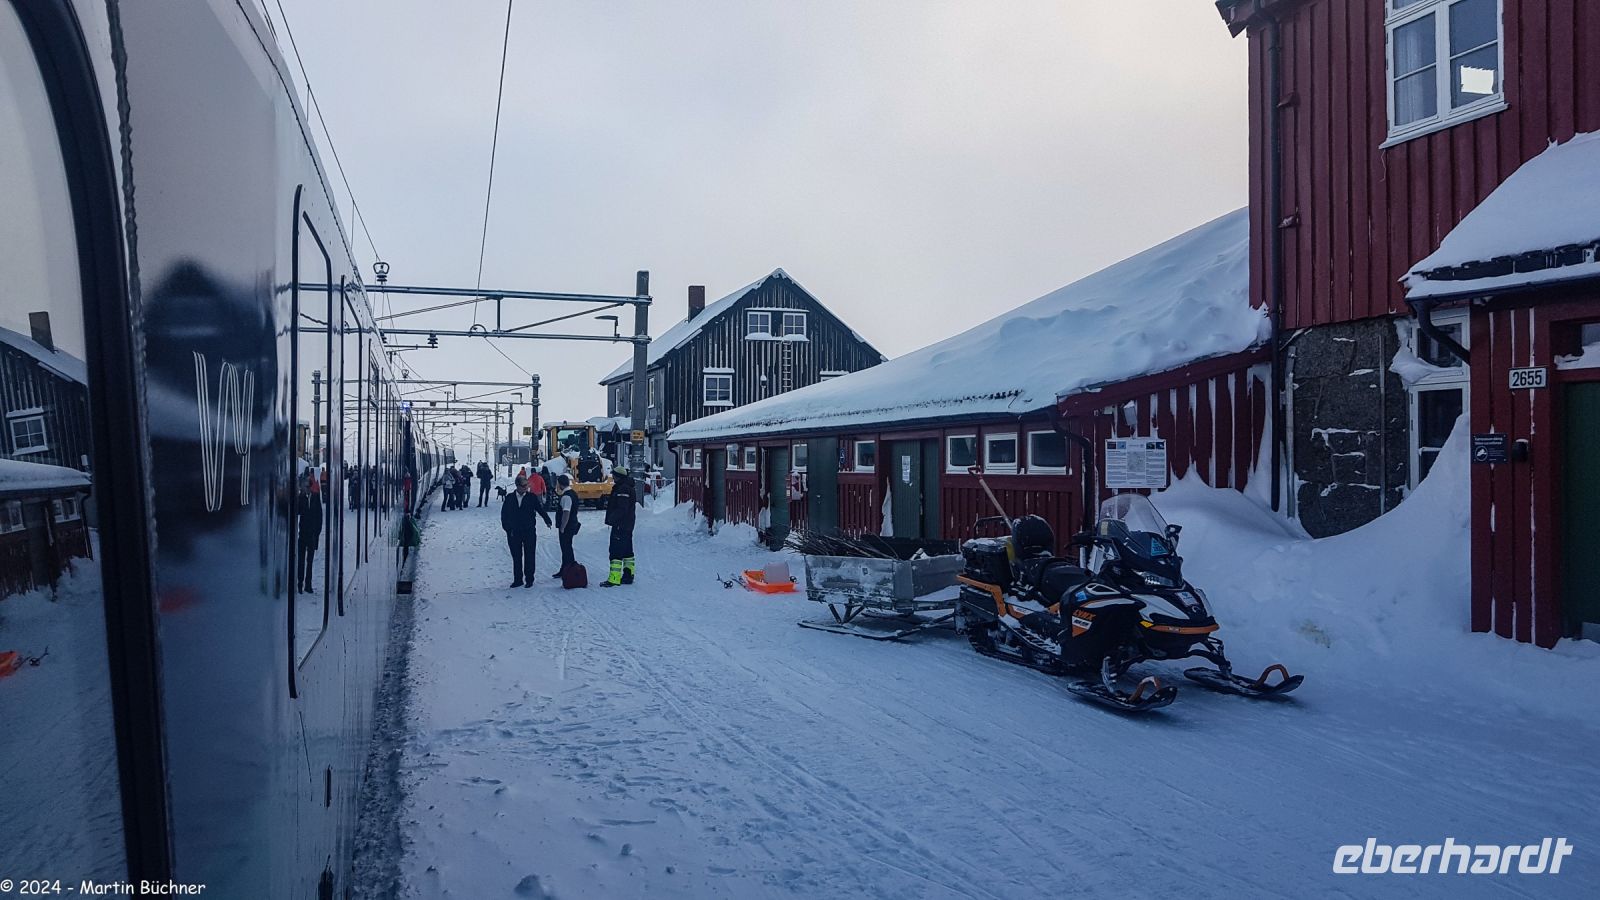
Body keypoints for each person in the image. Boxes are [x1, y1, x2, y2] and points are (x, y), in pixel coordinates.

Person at [500, 473, 552, 588]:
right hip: (514, 532)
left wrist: (547, 520)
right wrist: (508, 529)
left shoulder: (531, 497)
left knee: (530, 555)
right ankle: (518, 579)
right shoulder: (509, 498)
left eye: (526, 486)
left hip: (529, 531)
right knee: (516, 556)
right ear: (517, 486)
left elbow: (540, 509)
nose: (526, 488)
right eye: (524, 486)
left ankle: (529, 579)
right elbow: (504, 515)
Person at [601, 465, 637, 587]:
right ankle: (628, 576)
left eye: (614, 475)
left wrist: (612, 519)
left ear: (618, 476)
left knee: (615, 551)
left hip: (620, 525)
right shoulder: (627, 487)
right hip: (628, 525)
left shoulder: (622, 489)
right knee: (627, 551)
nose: (612, 477)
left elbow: (622, 508)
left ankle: (614, 579)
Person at [296, 469, 323, 593]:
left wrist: (317, 533)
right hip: (302, 533)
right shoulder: (300, 498)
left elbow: (319, 516)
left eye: (307, 485)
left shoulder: (316, 498)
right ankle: (300, 583)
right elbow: (296, 512)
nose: (305, 488)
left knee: (310, 561)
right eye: (304, 486)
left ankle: (308, 584)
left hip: (311, 534)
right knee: (301, 560)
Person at [553, 474, 581, 576]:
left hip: (567, 527)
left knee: (566, 548)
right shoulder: (573, 493)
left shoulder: (566, 497)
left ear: (560, 484)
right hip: (572, 524)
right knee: (566, 548)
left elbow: (566, 512)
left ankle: (570, 569)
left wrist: (562, 527)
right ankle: (565, 569)